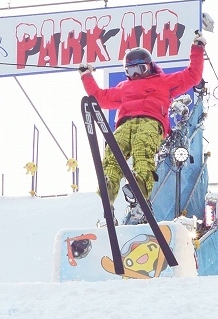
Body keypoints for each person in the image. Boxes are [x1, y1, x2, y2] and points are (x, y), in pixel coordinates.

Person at [80, 34, 206, 207]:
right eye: (130, 71)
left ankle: (140, 183)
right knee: (114, 147)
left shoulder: (164, 82)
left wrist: (197, 48)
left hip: (151, 120)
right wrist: (86, 76)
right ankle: (109, 183)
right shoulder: (124, 87)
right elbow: (100, 97)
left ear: (149, 67)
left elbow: (192, 75)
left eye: (139, 69)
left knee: (142, 144)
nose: (135, 74)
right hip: (126, 122)